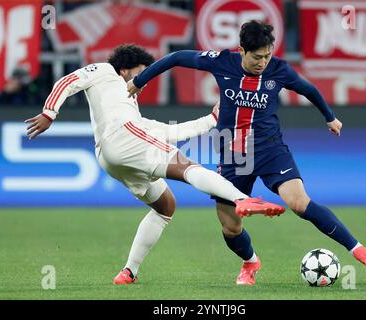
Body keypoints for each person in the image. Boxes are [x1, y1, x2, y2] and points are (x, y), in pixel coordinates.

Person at [128, 21, 366, 285]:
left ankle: (358, 248)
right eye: (257, 57)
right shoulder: (222, 62)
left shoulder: (279, 70)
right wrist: (138, 81)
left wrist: (330, 117)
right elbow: (177, 57)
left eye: (267, 55)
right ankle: (250, 262)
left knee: (298, 202)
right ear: (242, 51)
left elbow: (309, 89)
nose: (263, 62)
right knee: (230, 227)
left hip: (270, 149)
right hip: (234, 154)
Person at [25, 44, 285, 285]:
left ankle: (129, 271)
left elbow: (166, 132)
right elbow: (67, 81)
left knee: (165, 206)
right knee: (186, 167)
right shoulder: (105, 71)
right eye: (141, 73)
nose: (144, 81)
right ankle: (242, 199)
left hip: (111, 158)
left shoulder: (128, 108)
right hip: (122, 139)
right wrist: (49, 113)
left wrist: (211, 119)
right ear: (125, 69)